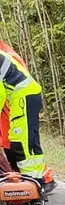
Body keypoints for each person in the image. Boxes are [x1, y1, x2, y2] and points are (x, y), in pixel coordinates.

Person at [0, 40, 45, 180]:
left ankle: (33, 180)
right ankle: (34, 178)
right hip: (20, 95)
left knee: (22, 140)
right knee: (22, 139)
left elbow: (0, 93)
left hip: (23, 95)